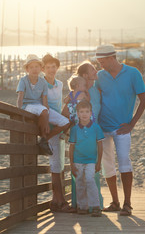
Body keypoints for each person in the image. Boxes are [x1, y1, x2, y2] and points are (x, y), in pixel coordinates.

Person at [95, 44, 145, 216]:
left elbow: (144, 100)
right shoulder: (99, 76)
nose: (100, 65)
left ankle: (127, 204)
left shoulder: (133, 73)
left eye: (102, 61)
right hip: (103, 128)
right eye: (99, 62)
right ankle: (115, 202)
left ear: (112, 58)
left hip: (122, 129)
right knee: (107, 165)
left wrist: (131, 124)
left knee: (124, 162)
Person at [16, 54, 70, 155]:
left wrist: (47, 116)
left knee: (65, 122)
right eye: (31, 67)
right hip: (27, 106)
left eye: (37, 67)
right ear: (27, 69)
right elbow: (20, 98)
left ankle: (44, 140)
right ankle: (44, 138)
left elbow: (45, 102)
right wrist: (20, 112)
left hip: (40, 107)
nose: (34, 69)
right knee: (43, 111)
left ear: (40, 68)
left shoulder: (42, 82)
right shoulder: (23, 80)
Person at [41, 53, 75, 213]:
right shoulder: (41, 83)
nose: (51, 69)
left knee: (60, 163)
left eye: (53, 67)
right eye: (48, 67)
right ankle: (60, 202)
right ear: (43, 69)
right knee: (56, 165)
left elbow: (59, 103)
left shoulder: (60, 84)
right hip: (49, 124)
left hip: (59, 124)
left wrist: (68, 101)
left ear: (57, 67)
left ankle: (56, 201)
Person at [71, 61, 104, 211]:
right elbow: (68, 108)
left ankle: (96, 205)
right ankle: (79, 205)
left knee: (92, 176)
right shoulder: (78, 92)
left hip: (93, 131)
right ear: (85, 75)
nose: (96, 70)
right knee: (79, 178)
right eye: (92, 69)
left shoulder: (97, 90)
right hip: (79, 132)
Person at [69, 100, 104, 217]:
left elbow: (100, 145)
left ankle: (95, 206)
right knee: (79, 183)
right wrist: (71, 164)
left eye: (87, 111)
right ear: (77, 114)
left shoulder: (96, 128)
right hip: (77, 161)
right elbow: (71, 147)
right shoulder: (74, 129)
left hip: (91, 161)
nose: (84, 114)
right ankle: (82, 206)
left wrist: (99, 162)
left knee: (89, 180)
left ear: (91, 113)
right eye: (81, 112)